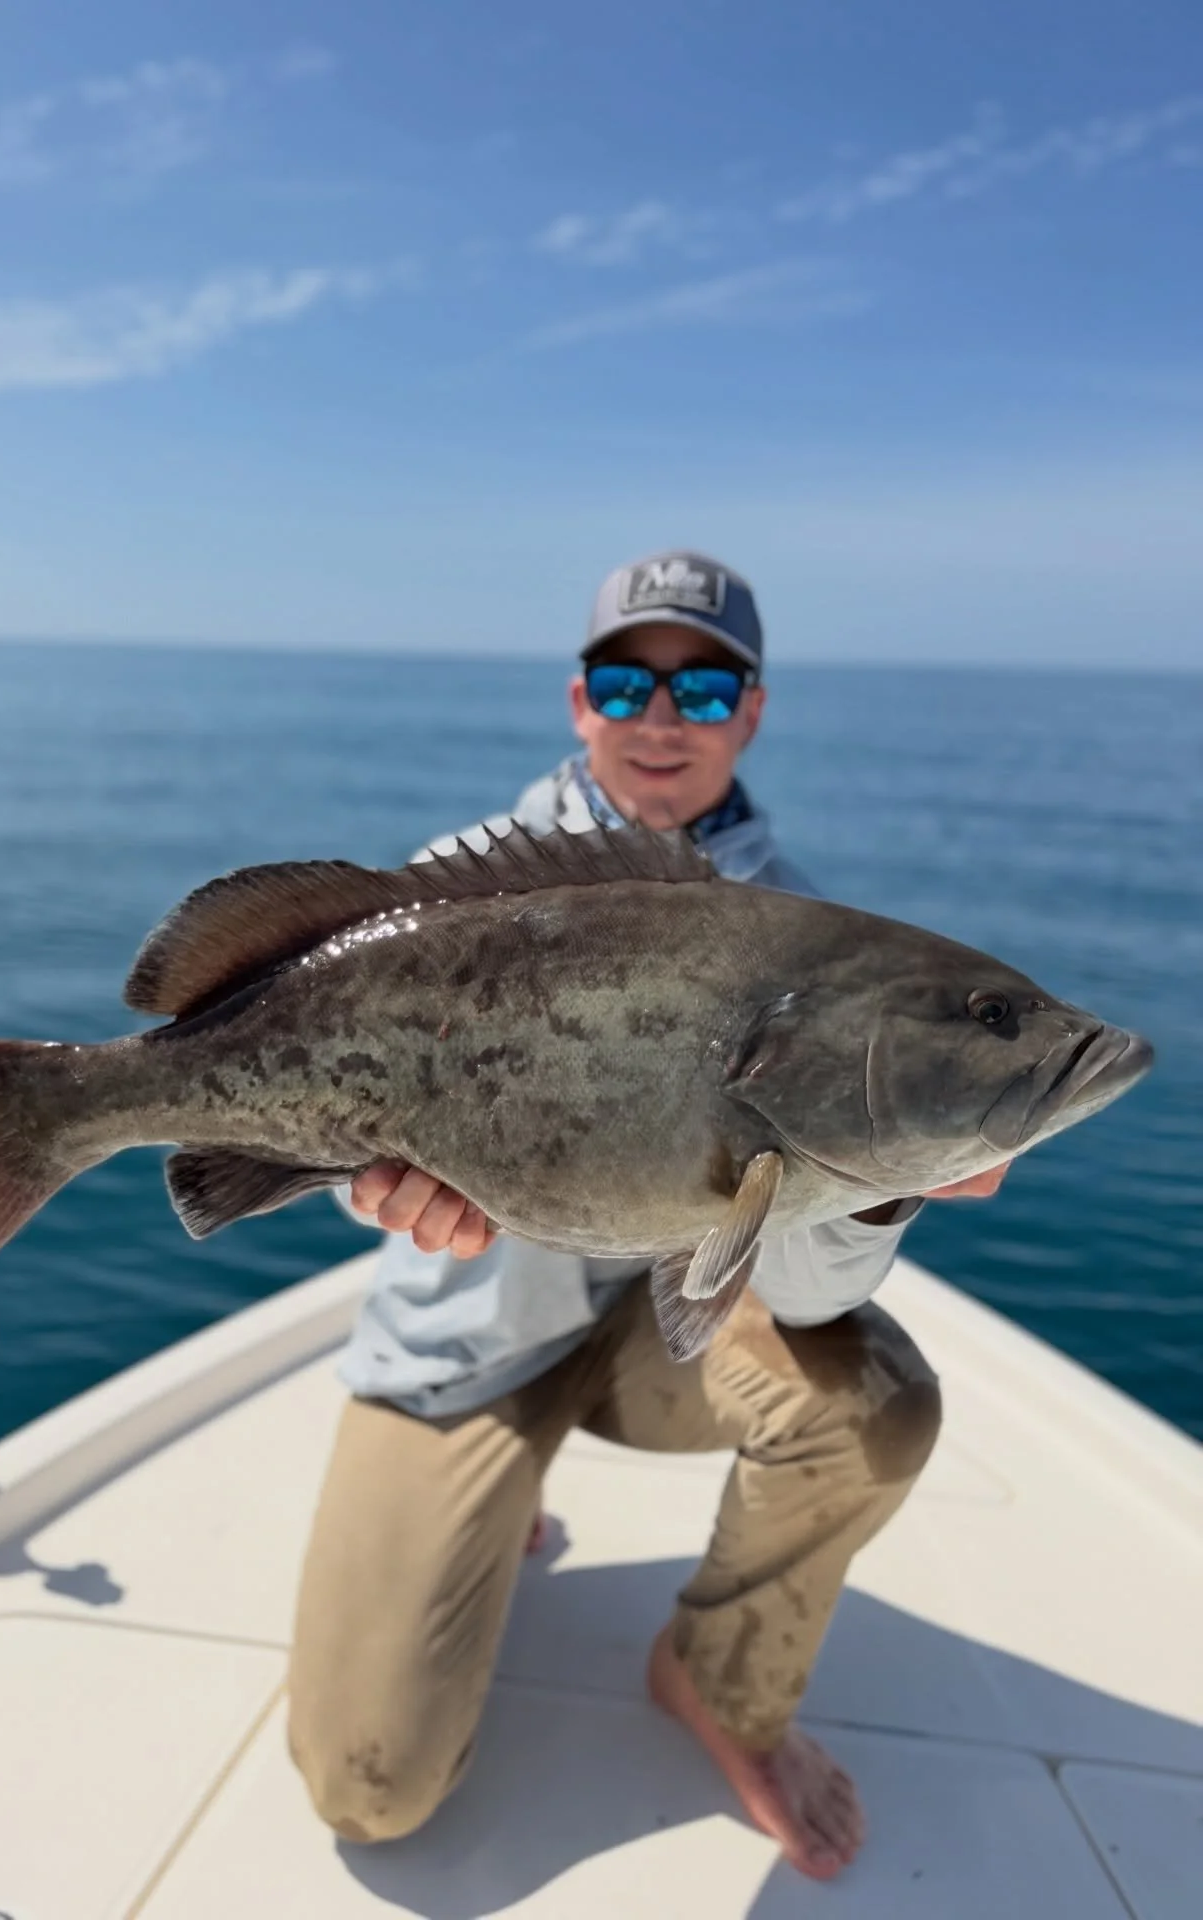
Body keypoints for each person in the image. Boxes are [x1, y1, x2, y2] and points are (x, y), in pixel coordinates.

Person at [286, 549, 1006, 1880]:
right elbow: (338, 1113)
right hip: (474, 1344)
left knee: (876, 1405)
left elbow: (802, 1299)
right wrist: (357, 1178)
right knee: (366, 1787)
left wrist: (882, 1177)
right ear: (580, 704)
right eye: (629, 680)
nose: (661, 715)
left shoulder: (803, 937)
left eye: (703, 682)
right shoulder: (454, 889)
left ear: (752, 709)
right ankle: (507, 1491)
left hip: (659, 1333)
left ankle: (716, 1681)